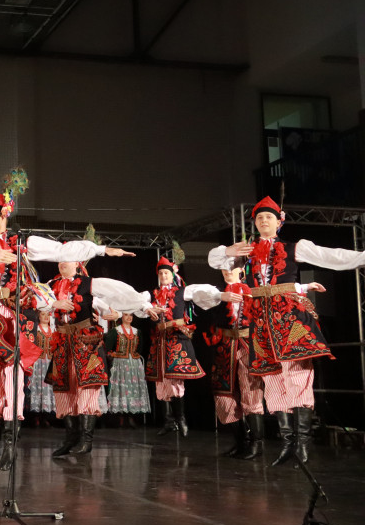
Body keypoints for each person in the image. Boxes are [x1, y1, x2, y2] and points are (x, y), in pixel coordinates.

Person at [0, 188, 139, 466]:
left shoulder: (22, 243)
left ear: (3, 215)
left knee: (12, 378)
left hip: (15, 318)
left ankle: (9, 443)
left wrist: (101, 249)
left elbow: (62, 250)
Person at [208, 196, 364, 465]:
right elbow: (214, 259)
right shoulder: (248, 251)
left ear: (279, 222)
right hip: (261, 322)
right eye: (259, 218)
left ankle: (302, 444)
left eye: (268, 217)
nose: (263, 221)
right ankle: (287, 443)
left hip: (290, 319)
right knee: (272, 378)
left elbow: (332, 256)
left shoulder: (294, 247)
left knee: (297, 373)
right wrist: (230, 252)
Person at [46, 258, 152, 459]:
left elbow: (115, 294)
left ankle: (86, 440)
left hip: (85, 343)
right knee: (64, 389)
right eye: (59, 260)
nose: (62, 264)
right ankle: (70, 439)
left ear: (77, 264)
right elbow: (38, 300)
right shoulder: (52, 284)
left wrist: (142, 306)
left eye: (66, 261)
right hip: (63, 344)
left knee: (86, 389)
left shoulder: (88, 284)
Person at [146, 257, 220, 438]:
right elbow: (141, 308)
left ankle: (181, 419)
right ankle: (168, 421)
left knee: (176, 381)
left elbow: (200, 291)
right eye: (161, 273)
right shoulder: (152, 294)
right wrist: (150, 312)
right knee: (161, 381)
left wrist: (219, 294)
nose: (163, 276)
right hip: (160, 341)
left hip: (176, 339)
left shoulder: (182, 292)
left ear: (173, 275)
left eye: (166, 273)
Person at [203, 265, 264, 458]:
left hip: (247, 344)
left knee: (250, 391)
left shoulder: (252, 291)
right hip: (224, 346)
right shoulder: (215, 293)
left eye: (232, 266)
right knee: (224, 395)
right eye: (224, 268)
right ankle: (241, 442)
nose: (228, 270)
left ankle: (257, 443)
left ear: (241, 269)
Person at [105, 313, 150, 427]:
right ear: (122, 317)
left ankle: (131, 416)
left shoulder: (137, 331)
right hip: (120, 364)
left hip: (134, 364)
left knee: (132, 389)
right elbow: (108, 348)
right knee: (121, 388)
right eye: (126, 315)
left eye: (131, 315)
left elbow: (140, 348)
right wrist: (113, 355)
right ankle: (120, 417)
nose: (129, 317)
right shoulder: (115, 331)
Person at [24, 309, 56, 426]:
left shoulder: (53, 330)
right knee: (37, 387)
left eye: (48, 314)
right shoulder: (36, 329)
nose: (46, 317)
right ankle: (35, 416)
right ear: (39, 317)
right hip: (38, 363)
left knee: (48, 388)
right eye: (43, 314)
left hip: (49, 362)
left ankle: (46, 415)